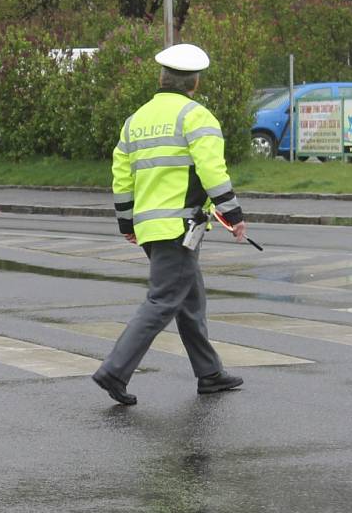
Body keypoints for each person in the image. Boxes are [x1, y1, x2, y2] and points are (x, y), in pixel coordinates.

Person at [92, 43, 246, 406]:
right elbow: (211, 171)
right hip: (179, 227)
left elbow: (121, 177)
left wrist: (125, 222)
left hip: (150, 229)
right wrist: (233, 213)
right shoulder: (197, 116)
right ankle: (114, 370)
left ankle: (209, 373)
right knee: (162, 300)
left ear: (162, 79)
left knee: (190, 300)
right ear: (194, 83)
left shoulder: (135, 121)